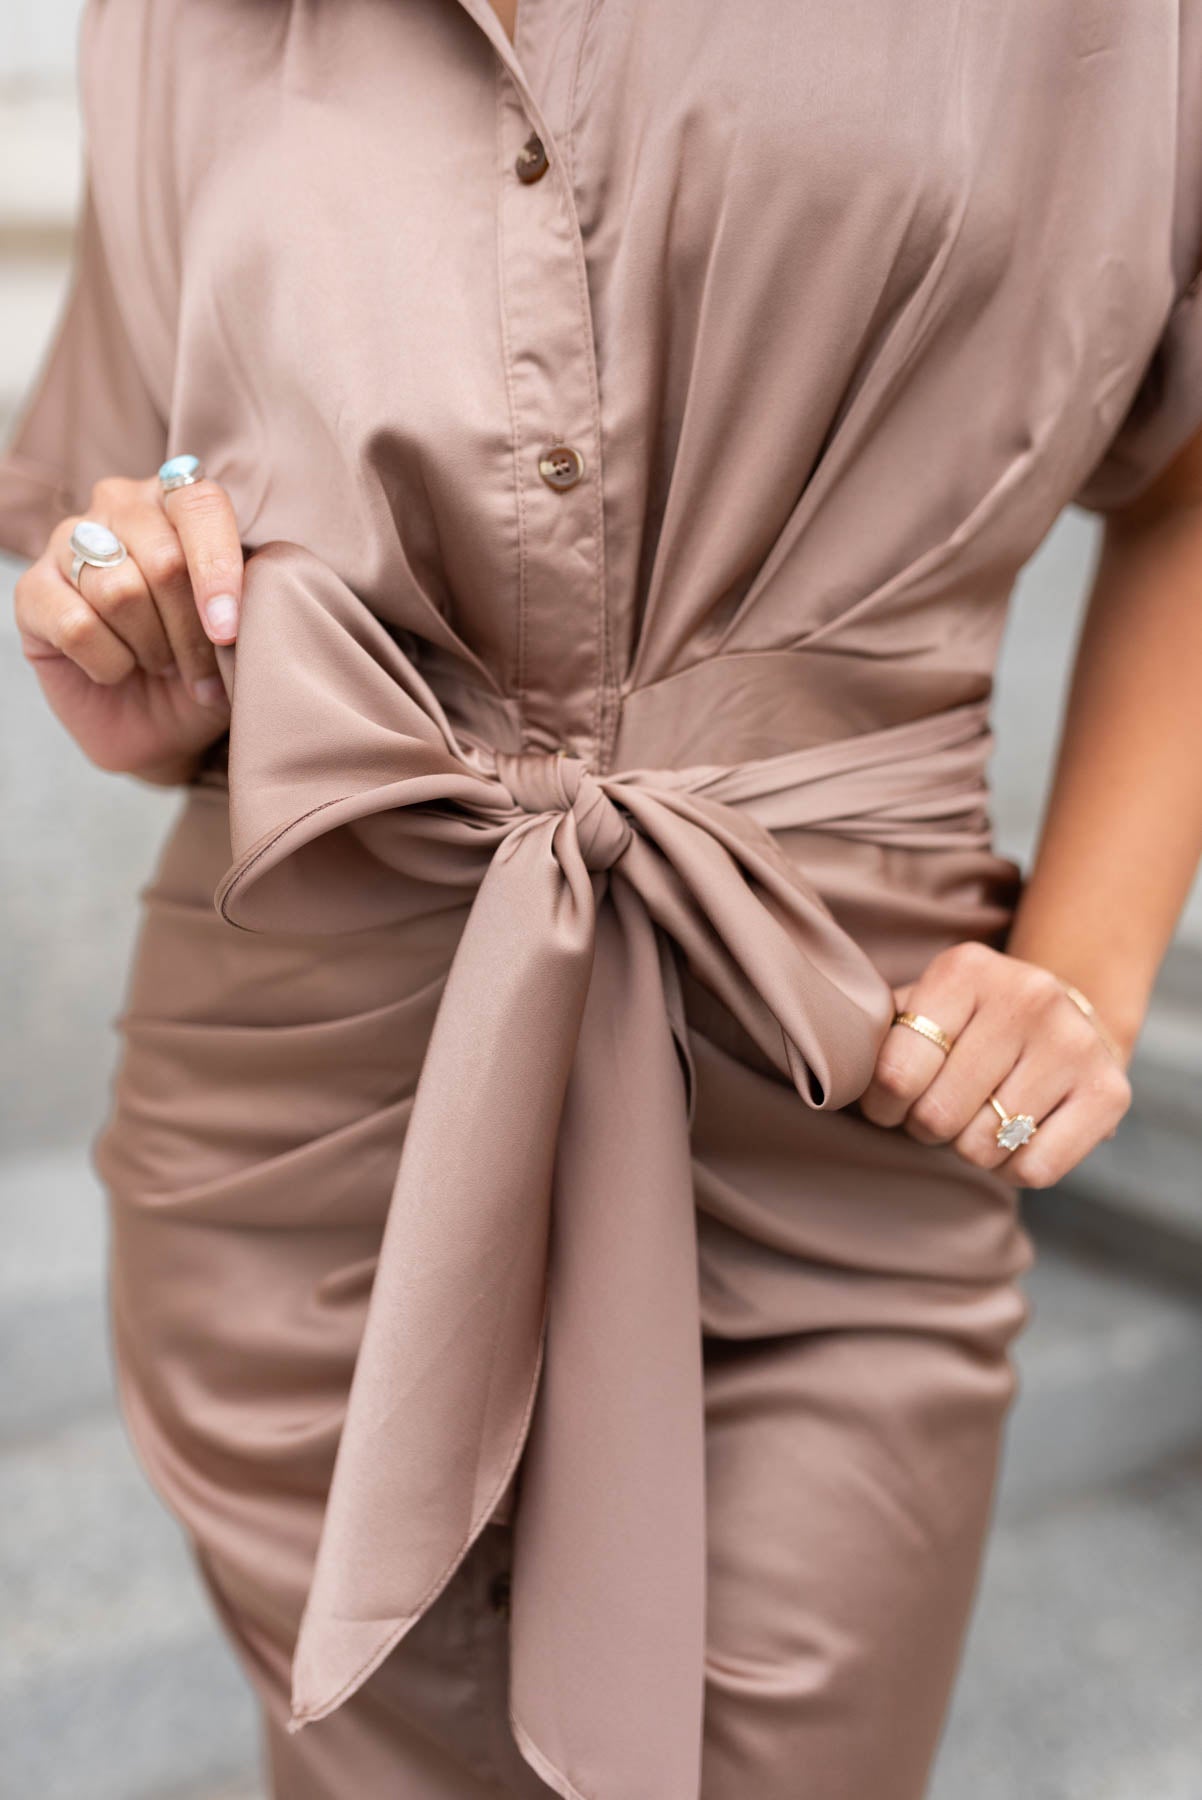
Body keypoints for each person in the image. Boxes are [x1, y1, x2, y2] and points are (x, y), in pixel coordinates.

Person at [3, 2, 1202, 1795]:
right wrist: (144, 616)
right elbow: (137, 538)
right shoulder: (185, 17)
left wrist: (1089, 968)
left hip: (833, 1078)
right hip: (299, 1129)